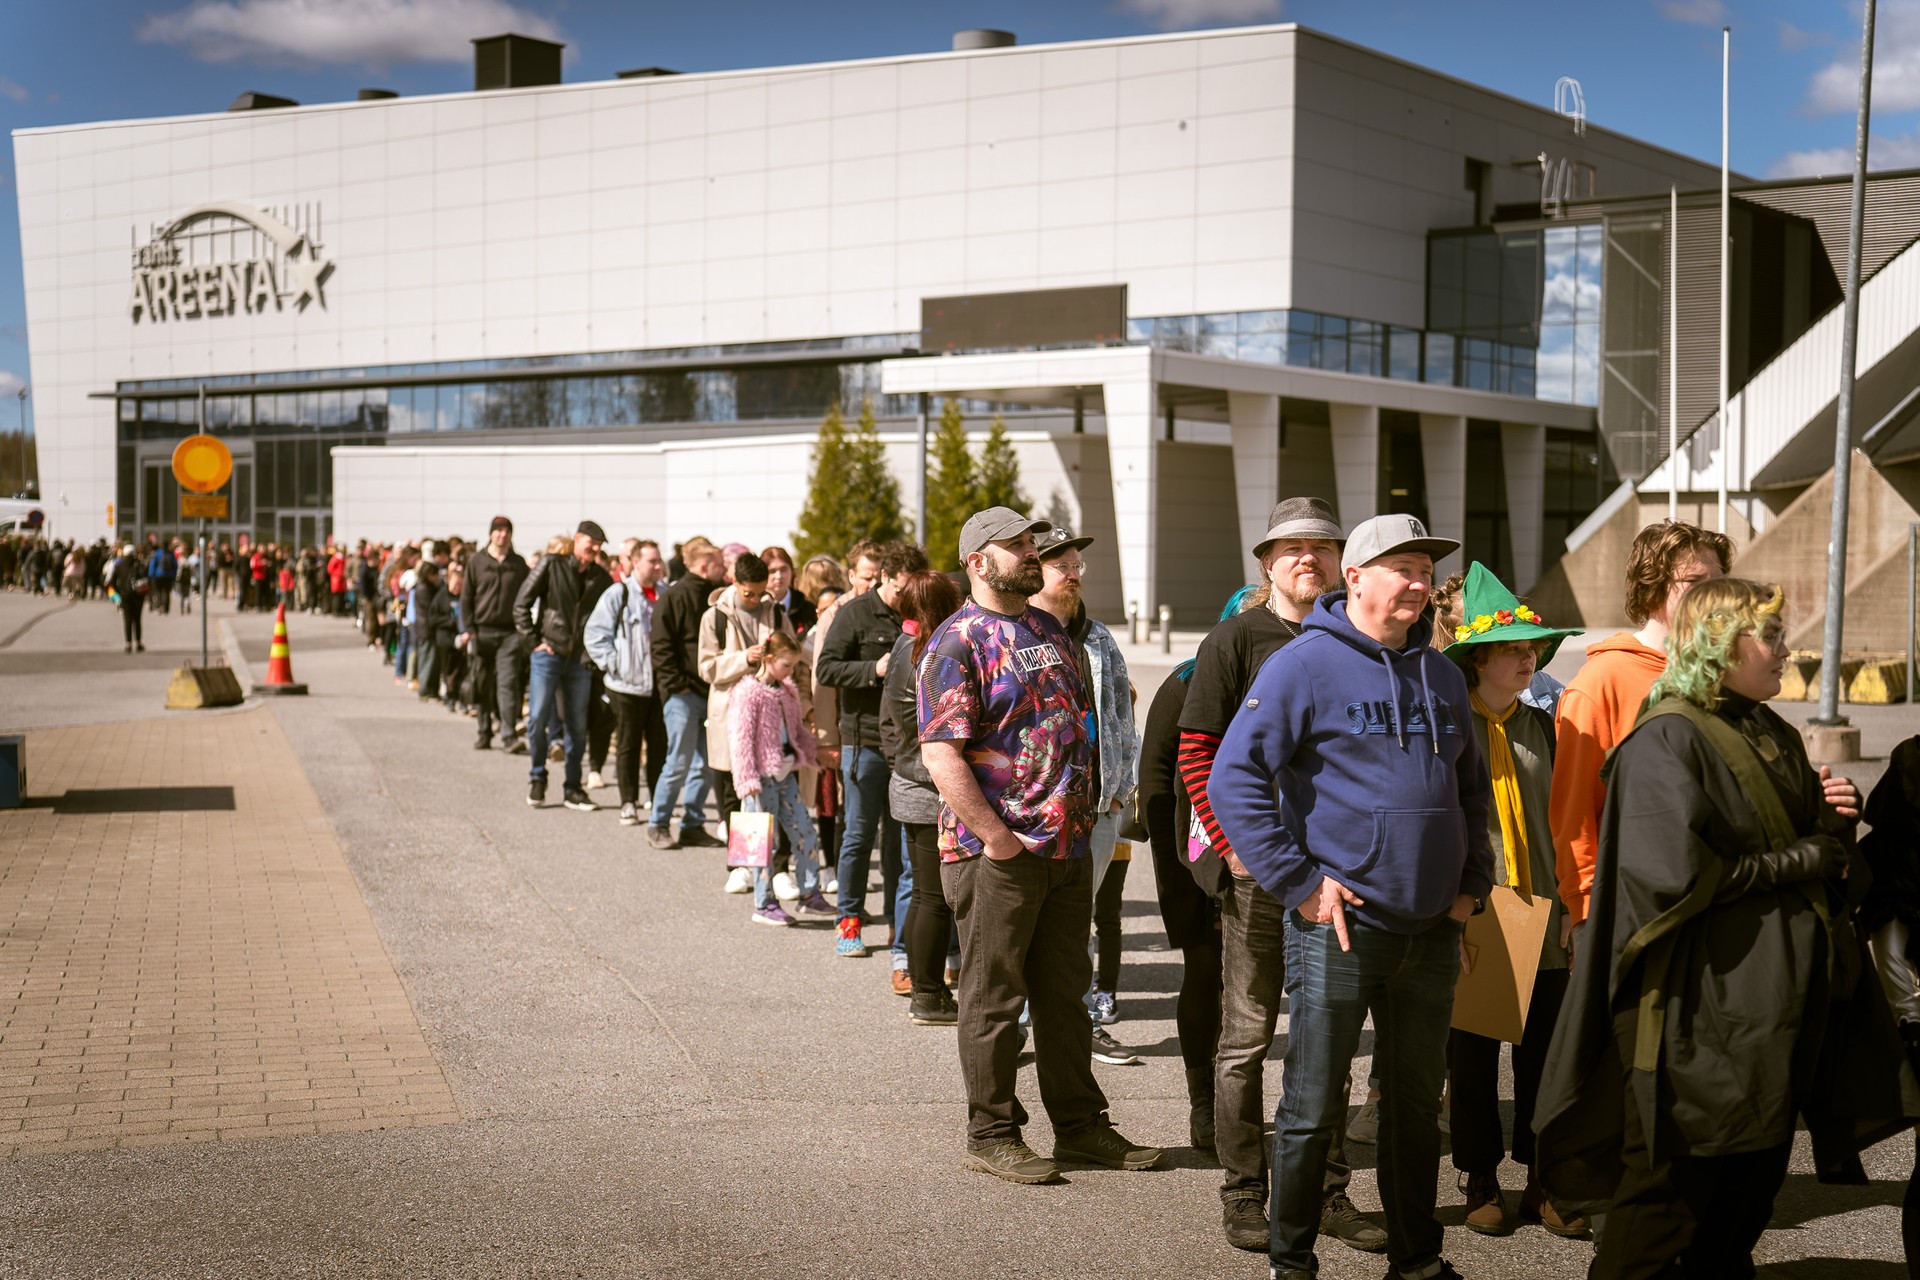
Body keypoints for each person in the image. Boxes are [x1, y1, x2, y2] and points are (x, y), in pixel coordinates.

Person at [1533, 579, 1904, 1280]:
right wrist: (1798, 859)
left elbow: (1816, 851)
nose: (1787, 649)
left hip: (1770, 1010)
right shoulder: (1666, 738)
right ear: (1720, 644)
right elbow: (1670, 877)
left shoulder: (1770, 731)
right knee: (1664, 1203)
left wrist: (1834, 824)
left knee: (1744, 1201)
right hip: (1693, 1015)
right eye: (1771, 635)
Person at [1210, 512, 1493, 1280]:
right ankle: (1292, 1260)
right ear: (1356, 577)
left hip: (1432, 930)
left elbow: (1471, 793)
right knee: (1311, 1108)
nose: (1418, 582)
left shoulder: (1442, 673)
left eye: (1425, 570)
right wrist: (1299, 883)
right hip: (1339, 926)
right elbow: (1234, 779)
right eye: (1402, 567)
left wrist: (1471, 889)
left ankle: (1417, 1259)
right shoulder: (1303, 665)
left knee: (1412, 1112)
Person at [918, 505, 1160, 1186]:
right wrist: (998, 839)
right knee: (994, 999)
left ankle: (1080, 1127)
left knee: (1065, 995)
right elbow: (941, 755)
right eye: (1015, 545)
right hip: (997, 854)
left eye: (1032, 542)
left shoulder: (1048, 629)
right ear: (977, 562)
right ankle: (992, 1132)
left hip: (1066, 845)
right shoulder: (957, 643)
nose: (1031, 553)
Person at [1175, 497, 1384, 1254]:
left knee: (1328, 1039)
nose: (1307, 558)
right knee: (1246, 1039)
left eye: (1322, 547)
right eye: (1291, 547)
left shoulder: (1357, 639)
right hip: (1259, 872)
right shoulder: (1235, 639)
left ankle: (1327, 1193)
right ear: (1266, 563)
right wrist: (1233, 845)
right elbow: (1196, 751)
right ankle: (1243, 1193)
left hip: (1339, 876)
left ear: (1343, 564)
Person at [1436, 562, 1586, 1238]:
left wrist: (1571, 906)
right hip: (1477, 910)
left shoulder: (1544, 728)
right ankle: (1479, 1177)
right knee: (1471, 1057)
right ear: (1477, 659)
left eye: (1532, 650)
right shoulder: (1448, 728)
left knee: (1545, 1056)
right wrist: (1448, 913)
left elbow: (1565, 821)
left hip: (1542, 910)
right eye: (1513, 650)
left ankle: (1544, 1181)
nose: (1529, 660)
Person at [1549, 520, 1733, 959]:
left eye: (1720, 583)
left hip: (1723, 904)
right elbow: (1575, 817)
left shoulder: (1725, 674)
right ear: (1652, 589)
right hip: (1634, 912)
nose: (1714, 598)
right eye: (1695, 582)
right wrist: (1585, 914)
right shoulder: (1599, 685)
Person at [1030, 523, 1143, 1068]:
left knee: (1077, 924)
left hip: (1096, 810)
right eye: (1062, 565)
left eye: (1077, 565)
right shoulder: (1014, 634)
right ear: (1032, 571)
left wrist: (1118, 793)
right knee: (1028, 923)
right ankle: (1021, 1023)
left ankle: (1079, 1025)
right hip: (1034, 813)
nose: (1073, 573)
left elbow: (1122, 714)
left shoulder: (1097, 637)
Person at [819, 541, 926, 959]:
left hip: (906, 746)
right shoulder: (853, 613)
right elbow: (826, 668)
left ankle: (898, 923)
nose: (906, 598)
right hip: (863, 742)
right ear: (884, 577)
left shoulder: (918, 612)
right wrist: (873, 669)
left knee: (900, 840)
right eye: (901, 589)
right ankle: (848, 919)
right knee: (859, 835)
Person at [884, 568, 966, 1026]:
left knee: (923, 894)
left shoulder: (907, 645)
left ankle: (925, 989)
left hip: (911, 778)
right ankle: (930, 994)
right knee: (933, 897)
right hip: (927, 784)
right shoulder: (929, 654)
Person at [698, 551, 809, 887]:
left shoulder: (774, 611)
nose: (755, 599)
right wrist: (744, 659)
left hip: (772, 714)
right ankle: (742, 866)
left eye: (761, 593)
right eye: (749, 593)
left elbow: (792, 656)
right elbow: (706, 667)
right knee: (737, 790)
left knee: (778, 790)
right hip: (731, 711)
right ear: (734, 582)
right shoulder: (715, 616)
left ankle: (778, 869)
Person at [728, 630, 835, 926]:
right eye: (786, 665)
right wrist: (747, 780)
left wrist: (814, 753)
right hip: (760, 779)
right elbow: (740, 740)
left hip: (785, 774)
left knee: (805, 832)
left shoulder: (787, 691)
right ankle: (763, 903)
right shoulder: (748, 693)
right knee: (761, 841)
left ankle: (809, 892)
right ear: (769, 658)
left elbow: (797, 731)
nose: (790, 671)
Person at [513, 520, 614, 812]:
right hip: (548, 651)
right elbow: (521, 604)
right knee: (537, 717)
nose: (595, 549)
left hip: (580, 659)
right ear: (577, 539)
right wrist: (533, 642)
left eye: (599, 546)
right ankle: (537, 777)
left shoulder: (601, 578)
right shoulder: (552, 564)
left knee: (577, 725)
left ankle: (573, 787)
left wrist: (594, 653)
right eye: (591, 543)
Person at [648, 536, 727, 849]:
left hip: (711, 692)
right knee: (678, 762)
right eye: (719, 564)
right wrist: (676, 684)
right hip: (682, 694)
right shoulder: (674, 597)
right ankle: (658, 823)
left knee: (705, 764)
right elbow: (661, 646)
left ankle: (692, 824)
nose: (725, 569)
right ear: (704, 566)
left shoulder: (718, 597)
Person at [585, 540, 669, 826]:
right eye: (651, 561)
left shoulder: (665, 594)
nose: (657, 566)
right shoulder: (618, 593)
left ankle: (657, 801)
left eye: (659, 561)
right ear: (635, 562)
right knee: (628, 745)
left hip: (659, 684)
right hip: (626, 685)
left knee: (658, 745)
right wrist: (615, 664)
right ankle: (628, 802)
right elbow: (595, 634)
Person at [462, 516, 532, 752]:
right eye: (498, 530)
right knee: (482, 683)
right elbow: (466, 597)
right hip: (481, 631)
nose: (502, 535)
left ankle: (508, 735)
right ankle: (484, 732)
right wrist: (469, 628)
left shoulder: (518, 564)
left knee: (507, 684)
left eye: (506, 531)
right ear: (491, 533)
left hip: (509, 634)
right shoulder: (477, 561)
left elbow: (529, 594)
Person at [110, 542, 148, 653]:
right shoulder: (139, 564)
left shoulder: (119, 565)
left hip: (124, 595)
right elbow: (146, 579)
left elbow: (111, 583)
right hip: (138, 595)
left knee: (127, 620)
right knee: (137, 619)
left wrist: (118, 594)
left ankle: (128, 644)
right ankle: (138, 643)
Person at [147, 536, 177, 614]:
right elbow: (175, 565)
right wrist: (174, 575)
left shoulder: (158, 553)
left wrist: (151, 575)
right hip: (169, 576)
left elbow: (153, 564)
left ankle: (160, 605)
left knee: (158, 591)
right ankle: (166, 607)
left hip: (158, 575)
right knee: (167, 592)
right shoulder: (171, 554)